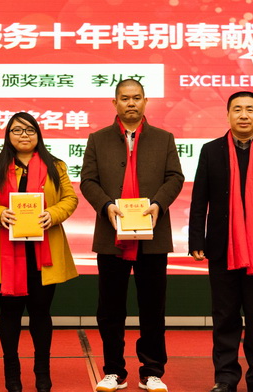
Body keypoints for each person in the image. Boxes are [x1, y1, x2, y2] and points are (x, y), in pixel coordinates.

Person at [80, 79, 184, 392]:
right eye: (124, 98)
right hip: (111, 236)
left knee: (153, 308)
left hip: (153, 237)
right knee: (110, 310)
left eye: (136, 98)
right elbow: (88, 181)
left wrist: (158, 204)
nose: (131, 103)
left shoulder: (163, 138)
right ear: (115, 103)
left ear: (145, 101)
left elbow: (175, 177)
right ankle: (113, 371)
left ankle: (152, 372)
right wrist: (106, 206)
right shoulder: (98, 139)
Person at [188, 91, 253, 392]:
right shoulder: (211, 151)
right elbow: (199, 200)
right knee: (225, 317)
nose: (244, 115)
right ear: (228, 115)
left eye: (250, 109)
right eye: (237, 109)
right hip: (222, 247)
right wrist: (196, 238)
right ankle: (225, 378)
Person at [0, 112, 78, 392]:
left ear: (38, 135)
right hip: (6, 253)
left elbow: (70, 198)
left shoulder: (55, 166)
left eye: (30, 130)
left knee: (41, 313)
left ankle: (42, 373)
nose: (24, 135)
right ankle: (12, 374)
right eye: (17, 130)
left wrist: (52, 214)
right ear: (8, 135)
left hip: (43, 254)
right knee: (9, 314)